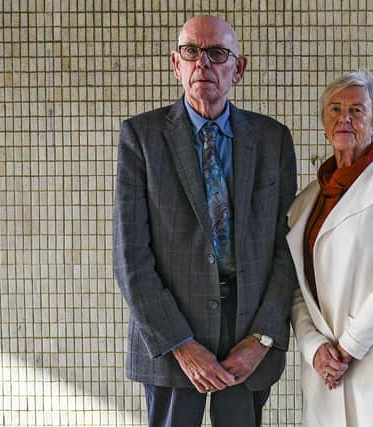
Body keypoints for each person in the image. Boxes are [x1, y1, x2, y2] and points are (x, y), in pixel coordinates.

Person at [113, 15, 297, 427]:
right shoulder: (141, 138)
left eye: (217, 53)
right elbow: (131, 259)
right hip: (172, 332)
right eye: (191, 52)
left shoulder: (273, 140)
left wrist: (263, 338)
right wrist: (179, 343)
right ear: (176, 64)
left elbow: (287, 249)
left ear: (239, 68)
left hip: (247, 338)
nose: (204, 64)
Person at [286, 70, 373, 426]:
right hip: (325, 374)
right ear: (324, 123)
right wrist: (314, 348)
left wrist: (348, 346)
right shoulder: (305, 203)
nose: (344, 118)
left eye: (357, 110)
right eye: (334, 109)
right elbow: (296, 289)